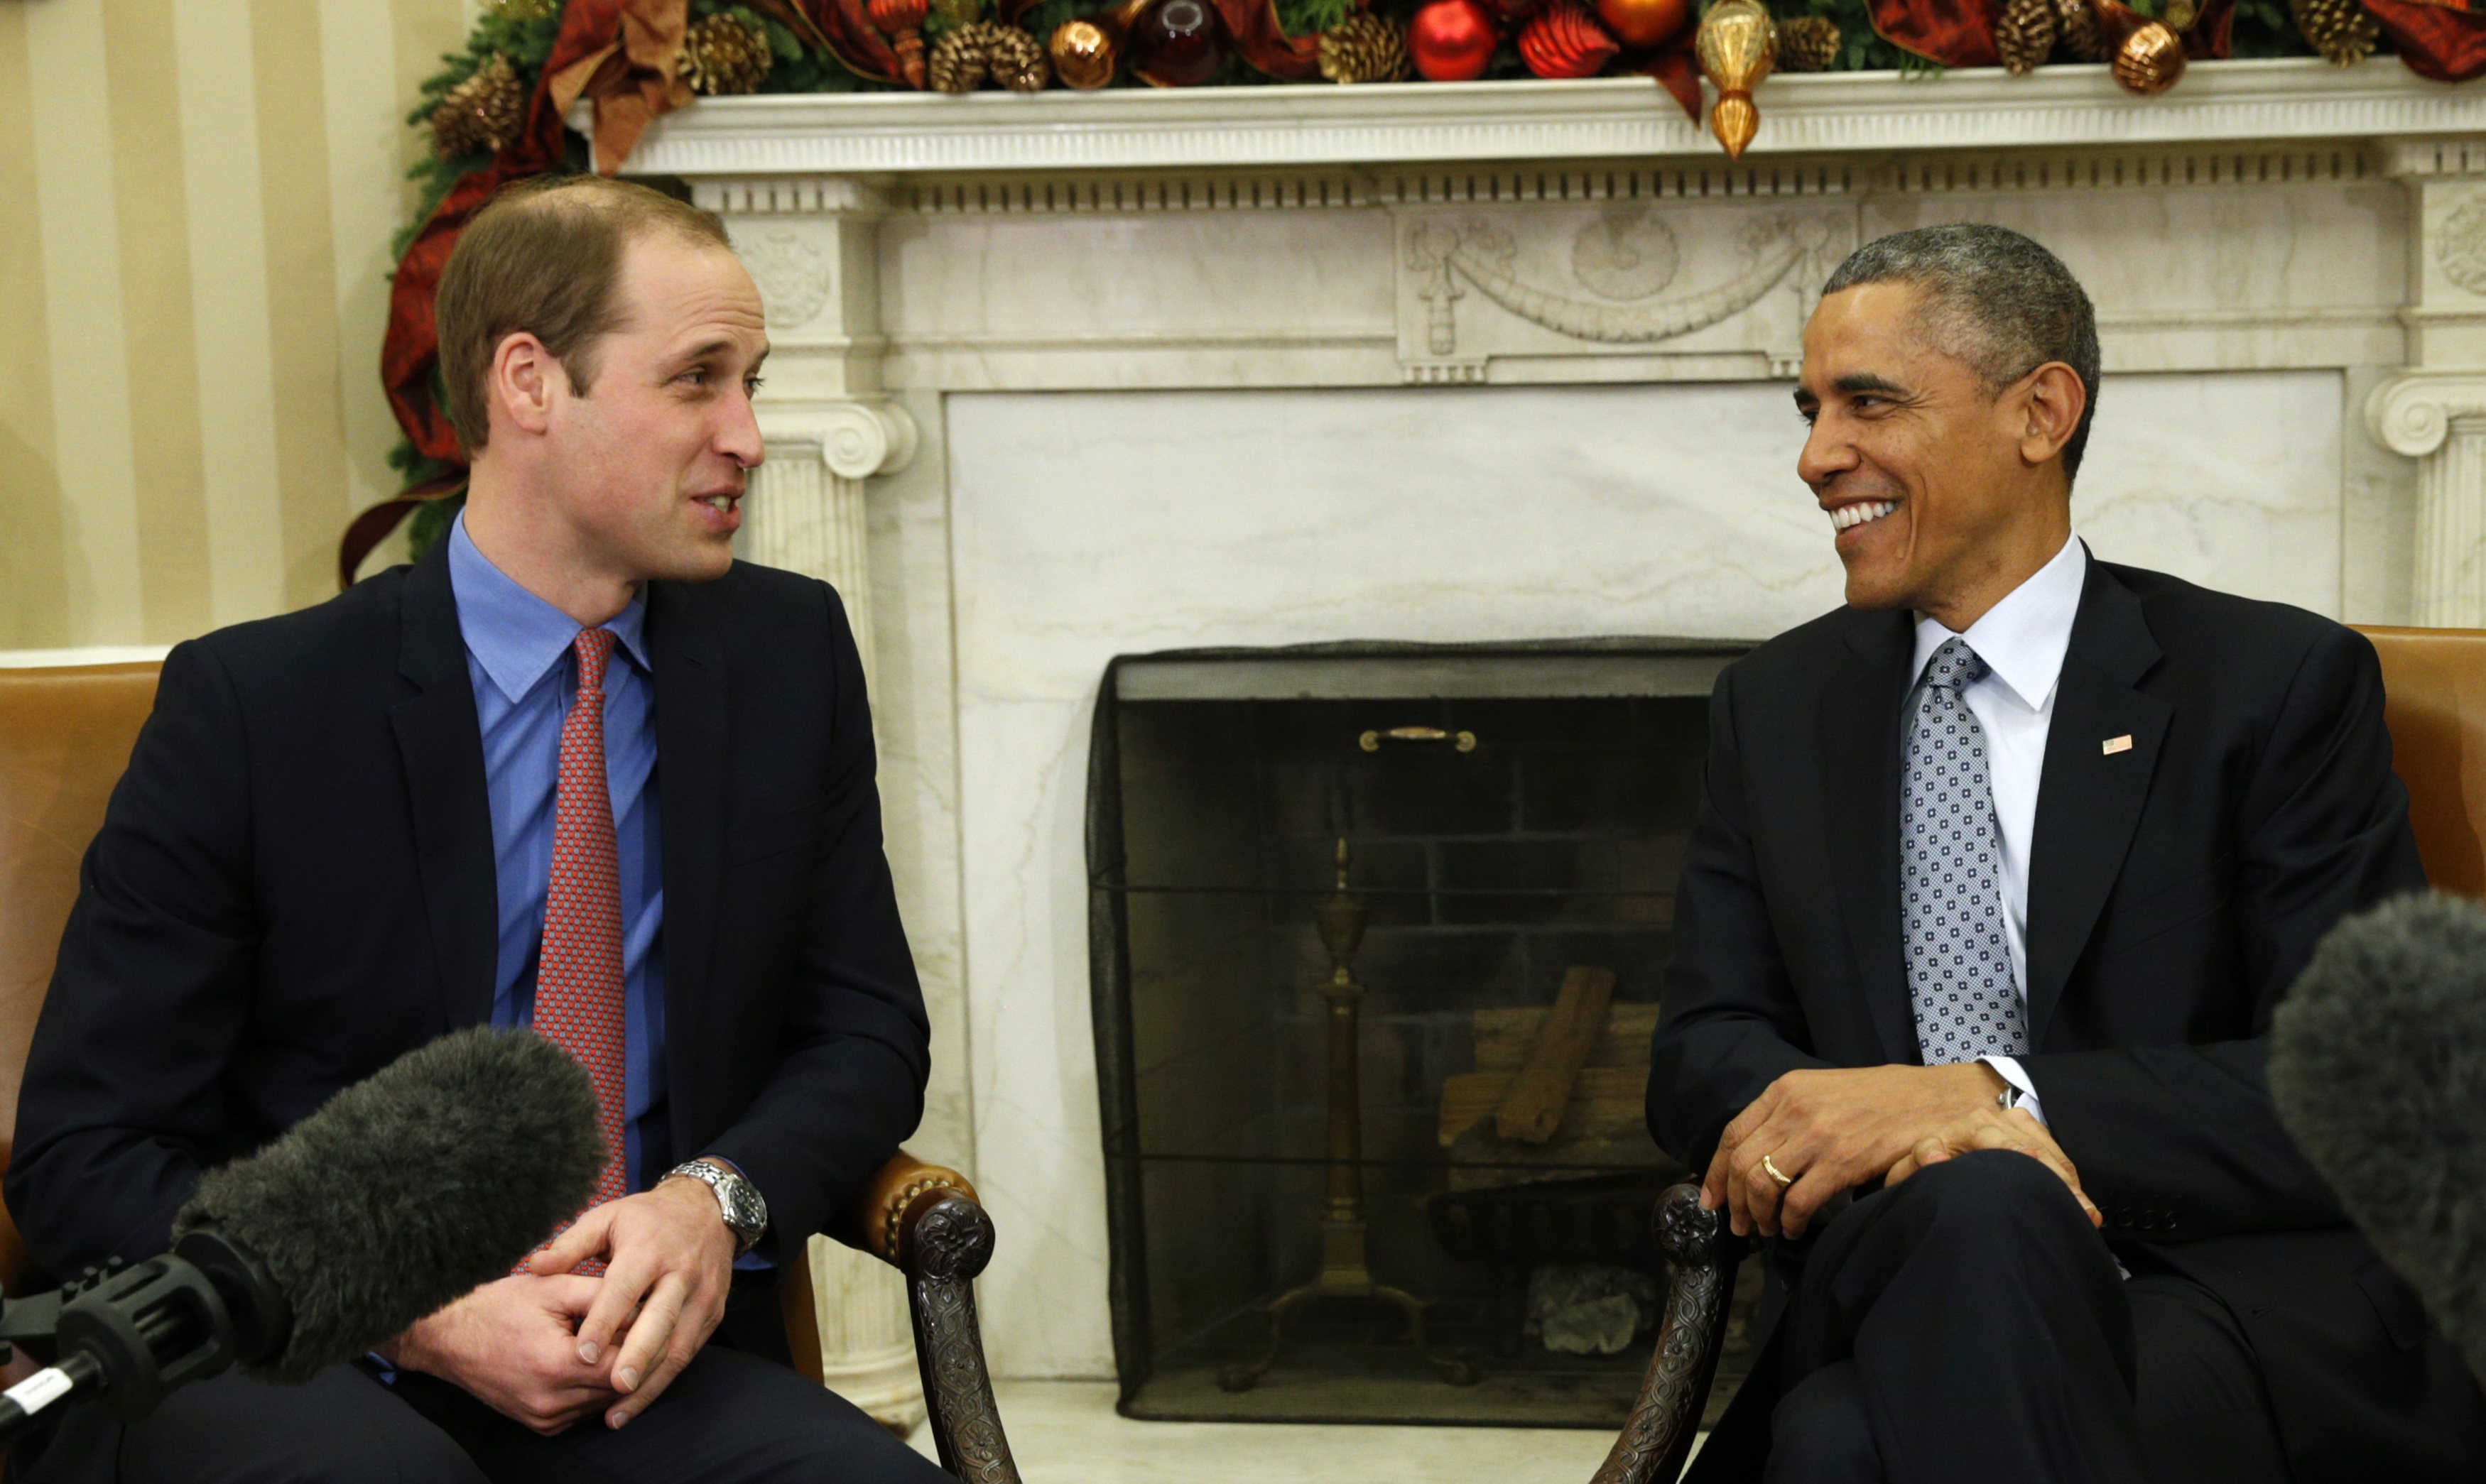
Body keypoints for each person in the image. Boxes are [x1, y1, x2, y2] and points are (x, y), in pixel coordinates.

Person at [5, 175, 949, 1483]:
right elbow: (85, 1154)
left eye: (756, 382)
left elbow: (862, 1028)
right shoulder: (260, 707)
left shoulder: (787, 656)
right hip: (303, 1353)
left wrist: (707, 1200)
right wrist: (414, 1309)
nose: (748, 433)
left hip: (626, 1358)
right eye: (698, 380)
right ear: (527, 384)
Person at [1648, 223, 2486, 1483]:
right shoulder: (1773, 709)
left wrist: (1988, 1097)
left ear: (2041, 412)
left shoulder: (2271, 686)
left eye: (1868, 402)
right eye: (1812, 408)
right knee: (1978, 1208)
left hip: (2220, 1292)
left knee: (1836, 1449)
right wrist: (1895, 1138)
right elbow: (1702, 1049)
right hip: (1895, 1265)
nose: (1818, 456)